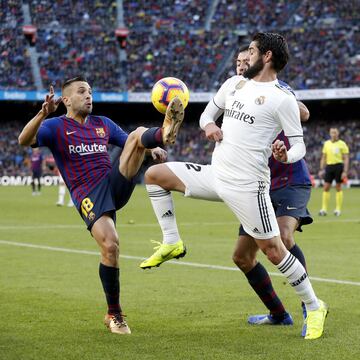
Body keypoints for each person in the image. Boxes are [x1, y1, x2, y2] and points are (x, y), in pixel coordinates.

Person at [141, 33, 328, 340]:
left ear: (266, 57)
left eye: (251, 52)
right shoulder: (234, 84)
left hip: (248, 186)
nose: (244, 59)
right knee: (155, 176)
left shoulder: (282, 99)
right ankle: (172, 241)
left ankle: (313, 305)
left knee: (274, 250)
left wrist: (285, 153)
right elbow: (205, 115)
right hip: (216, 175)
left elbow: (299, 147)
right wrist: (210, 125)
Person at [18, 76, 184, 335]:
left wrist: (153, 151)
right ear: (66, 100)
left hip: (113, 181)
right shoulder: (54, 126)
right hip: (88, 193)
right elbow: (24, 140)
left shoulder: (102, 123)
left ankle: (165, 133)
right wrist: (42, 114)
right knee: (110, 245)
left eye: (90, 92)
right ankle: (114, 314)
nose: (88, 96)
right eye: (82, 92)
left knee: (138, 133)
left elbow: (130, 142)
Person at [233, 46, 313, 335]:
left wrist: (288, 99)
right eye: (238, 62)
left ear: (259, 61)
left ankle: (310, 308)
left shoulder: (277, 91)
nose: (242, 65)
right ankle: (278, 314)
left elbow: (304, 112)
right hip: (257, 187)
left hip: (291, 179)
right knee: (242, 257)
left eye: (247, 60)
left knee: (283, 236)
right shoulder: (234, 100)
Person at [318, 127, 349, 216]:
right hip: (329, 166)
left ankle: (338, 209)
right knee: (326, 187)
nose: (333, 134)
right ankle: (324, 209)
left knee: (338, 187)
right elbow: (323, 157)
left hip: (339, 166)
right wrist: (321, 169)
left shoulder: (342, 144)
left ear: (338, 133)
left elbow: (346, 158)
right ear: (330, 133)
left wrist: (345, 171)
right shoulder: (326, 144)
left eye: (335, 132)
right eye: (332, 132)